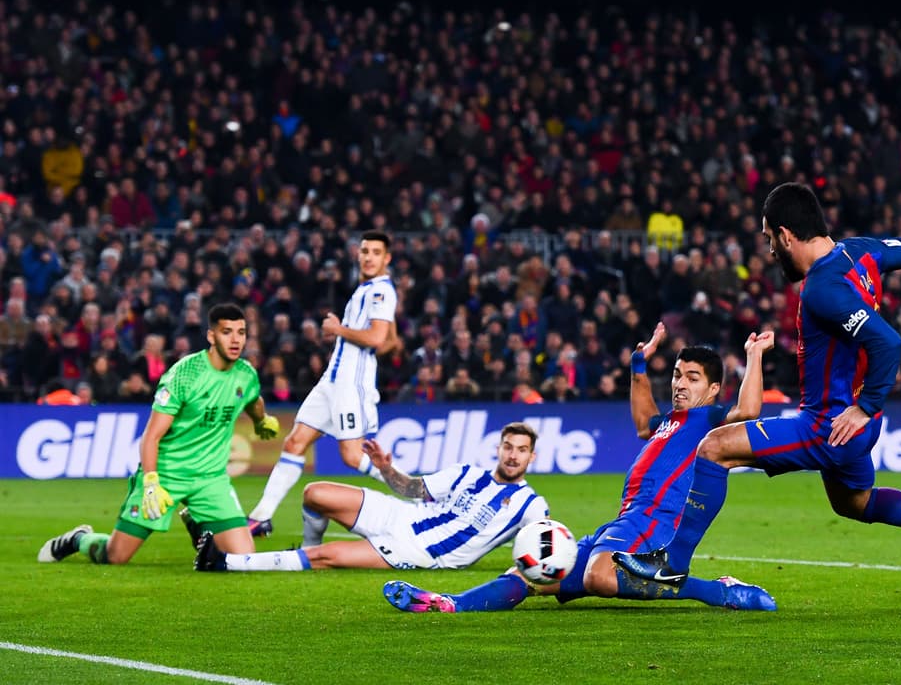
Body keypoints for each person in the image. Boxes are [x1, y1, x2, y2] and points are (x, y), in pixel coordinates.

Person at [617, 182, 901, 593]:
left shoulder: (822, 288)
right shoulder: (859, 251)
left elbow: (888, 342)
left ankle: (672, 562)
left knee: (714, 449)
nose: (770, 250)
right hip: (859, 426)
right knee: (854, 502)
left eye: (770, 239)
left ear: (787, 235)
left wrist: (865, 404)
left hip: (829, 425)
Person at [382, 322, 778, 613]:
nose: (680, 384)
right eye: (676, 375)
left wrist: (754, 355)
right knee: (534, 572)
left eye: (692, 378)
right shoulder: (669, 423)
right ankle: (451, 604)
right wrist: (639, 366)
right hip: (622, 523)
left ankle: (717, 590)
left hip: (658, 526)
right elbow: (643, 422)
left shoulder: (709, 420)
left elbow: (750, 410)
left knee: (599, 578)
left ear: (711, 390)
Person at [38, 303, 279, 565]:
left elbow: (253, 399)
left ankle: (198, 527)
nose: (236, 340)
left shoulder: (246, 374)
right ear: (211, 336)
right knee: (115, 556)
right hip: (167, 473)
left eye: (241, 333)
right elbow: (151, 435)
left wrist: (261, 420)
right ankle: (79, 539)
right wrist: (151, 482)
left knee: (243, 558)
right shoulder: (184, 375)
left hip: (210, 479)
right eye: (227, 332)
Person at [194, 423, 547, 572]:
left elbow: (544, 544)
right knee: (315, 493)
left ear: (531, 457)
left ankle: (223, 562)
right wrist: (385, 469)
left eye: (521, 450)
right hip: (404, 516)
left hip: (422, 552)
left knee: (327, 555)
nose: (513, 455)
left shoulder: (531, 504)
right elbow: (413, 490)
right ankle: (302, 548)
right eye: (508, 447)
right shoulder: (467, 473)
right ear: (499, 448)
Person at [246, 230, 398, 537]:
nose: (368, 257)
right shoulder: (366, 290)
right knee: (294, 442)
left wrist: (339, 329)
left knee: (352, 457)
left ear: (387, 258)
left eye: (376, 252)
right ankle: (261, 516)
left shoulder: (381, 291)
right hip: (332, 380)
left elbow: (378, 338)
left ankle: (418, 494)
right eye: (364, 251)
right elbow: (390, 340)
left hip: (349, 384)